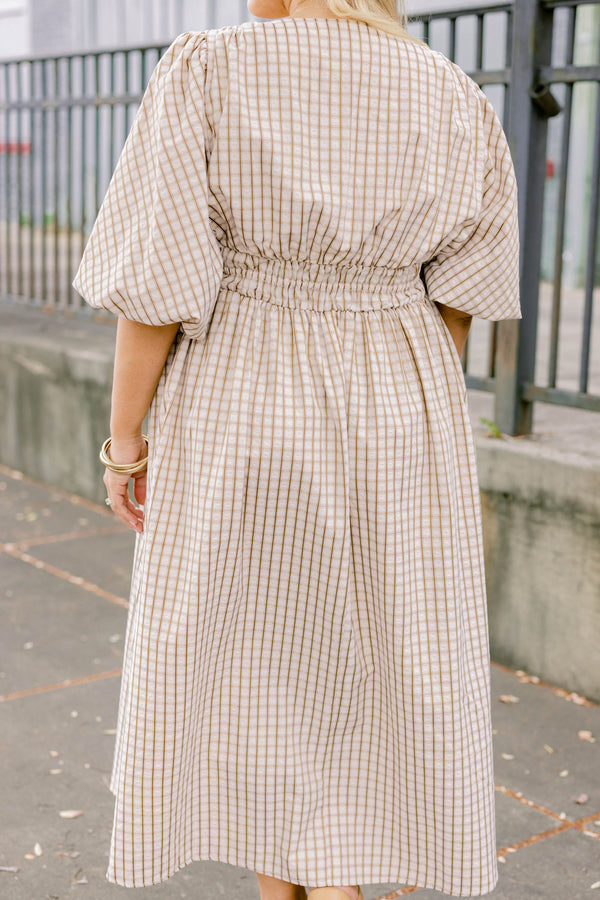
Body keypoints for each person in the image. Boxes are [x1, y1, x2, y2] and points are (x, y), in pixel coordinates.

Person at [71, 0, 521, 897]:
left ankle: (303, 884)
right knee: (378, 652)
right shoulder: (453, 92)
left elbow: (156, 284)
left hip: (247, 389)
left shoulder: (211, 67)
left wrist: (127, 442)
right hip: (402, 395)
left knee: (252, 658)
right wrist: (396, 391)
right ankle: (339, 873)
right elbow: (467, 290)